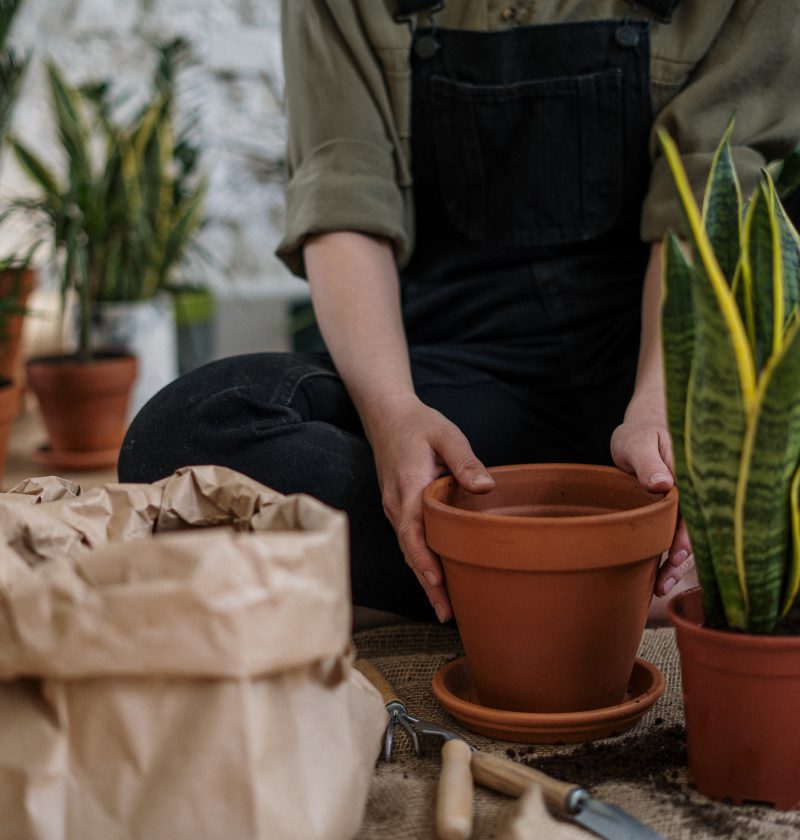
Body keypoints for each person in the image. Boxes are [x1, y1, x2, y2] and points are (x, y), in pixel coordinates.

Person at [118, 0, 800, 626]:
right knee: (181, 434)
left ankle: (503, 582)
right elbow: (345, 200)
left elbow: (708, 203)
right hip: (456, 406)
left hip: (658, 387)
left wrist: (662, 411)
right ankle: (612, 583)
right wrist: (392, 415)